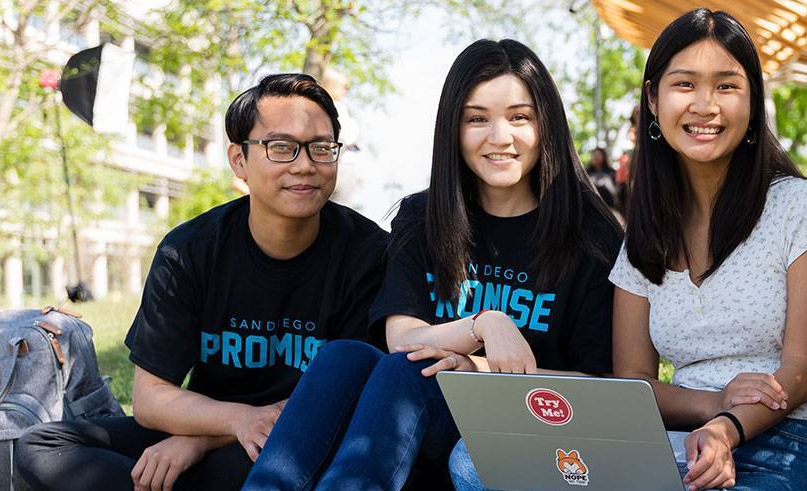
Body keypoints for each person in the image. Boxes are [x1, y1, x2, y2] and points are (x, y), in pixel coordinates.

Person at [241, 39, 622, 491]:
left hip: (532, 424)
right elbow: (401, 337)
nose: (499, 137)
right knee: (345, 355)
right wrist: (486, 324)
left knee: (412, 370)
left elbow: (600, 383)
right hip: (425, 418)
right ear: (453, 128)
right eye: (476, 118)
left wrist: (475, 369)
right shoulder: (423, 217)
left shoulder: (591, 233)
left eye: (520, 117)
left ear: (547, 125)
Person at [14, 73, 389, 491]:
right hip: (219, 425)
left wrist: (198, 441)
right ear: (239, 160)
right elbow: (152, 397)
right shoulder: (189, 251)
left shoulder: (369, 255)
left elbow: (347, 396)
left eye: (321, 148)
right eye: (281, 147)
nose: (304, 165)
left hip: (302, 445)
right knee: (42, 447)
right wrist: (234, 422)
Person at [611, 9, 807, 491]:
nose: (705, 106)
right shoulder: (646, 233)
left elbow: (801, 373)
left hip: (786, 439)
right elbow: (633, 386)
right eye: (684, 85)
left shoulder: (802, 210)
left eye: (726, 86)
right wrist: (710, 407)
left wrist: (726, 427)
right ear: (653, 100)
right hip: (677, 439)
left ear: (753, 103)